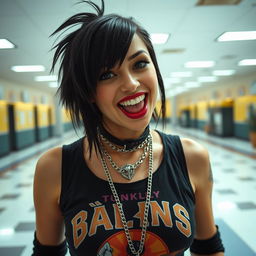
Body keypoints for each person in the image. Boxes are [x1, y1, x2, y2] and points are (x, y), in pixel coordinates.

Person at [32, 0, 225, 255]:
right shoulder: (55, 168)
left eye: (139, 64)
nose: (132, 83)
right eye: (107, 75)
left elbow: (208, 247)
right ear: (88, 91)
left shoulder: (191, 157)